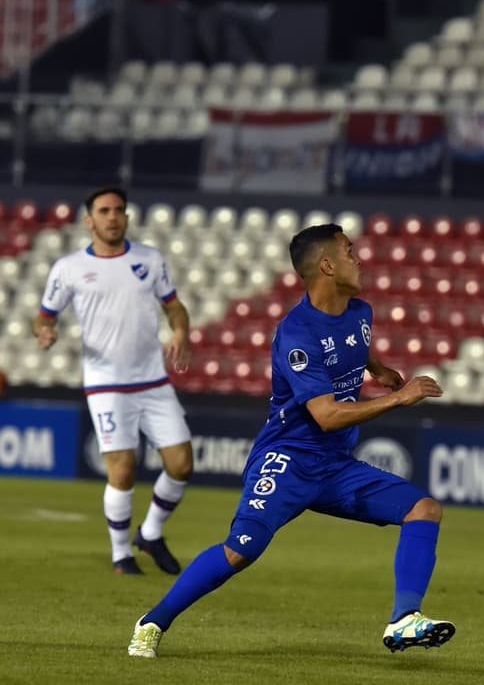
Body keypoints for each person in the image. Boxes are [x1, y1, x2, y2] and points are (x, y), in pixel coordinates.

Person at [128, 223, 456, 658]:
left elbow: (356, 345)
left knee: (424, 510)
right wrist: (399, 397)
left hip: (335, 465)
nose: (358, 259)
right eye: (349, 251)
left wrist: (378, 369)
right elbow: (325, 416)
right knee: (241, 550)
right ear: (326, 265)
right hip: (288, 461)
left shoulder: (360, 312)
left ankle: (403, 621)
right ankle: (152, 622)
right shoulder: (297, 334)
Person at [34, 186, 193, 576]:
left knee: (182, 464)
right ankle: (121, 553)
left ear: (126, 217)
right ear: (89, 220)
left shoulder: (150, 260)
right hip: (106, 382)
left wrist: (180, 332)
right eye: (104, 210)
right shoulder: (68, 268)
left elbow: (174, 307)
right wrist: (45, 332)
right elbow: (45, 315)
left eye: (119, 210)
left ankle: (151, 533)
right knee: (121, 469)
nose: (112, 216)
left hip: (153, 380)